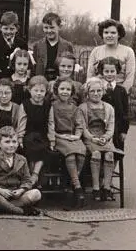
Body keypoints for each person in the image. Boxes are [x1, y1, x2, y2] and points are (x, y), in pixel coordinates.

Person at [0, 126, 42, 216]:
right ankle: (19, 211)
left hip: (15, 196)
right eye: (7, 142)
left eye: (14, 142)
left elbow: (27, 180)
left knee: (36, 194)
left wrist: (21, 190)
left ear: (18, 143)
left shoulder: (22, 159)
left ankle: (2, 208)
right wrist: (0, 190)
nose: (11, 145)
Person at [47, 78, 87, 208]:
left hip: (72, 137)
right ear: (56, 91)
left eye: (68, 89)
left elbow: (79, 125)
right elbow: (51, 125)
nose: (65, 92)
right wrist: (59, 136)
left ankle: (72, 184)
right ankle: (77, 188)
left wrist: (76, 136)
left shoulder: (75, 108)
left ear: (72, 92)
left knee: (81, 153)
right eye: (62, 89)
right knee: (70, 155)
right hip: (59, 137)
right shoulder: (52, 107)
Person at [79, 77, 118, 202]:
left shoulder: (109, 108)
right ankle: (96, 188)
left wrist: (106, 138)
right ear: (88, 93)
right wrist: (92, 138)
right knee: (95, 154)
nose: (96, 94)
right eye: (92, 91)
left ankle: (106, 188)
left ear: (103, 91)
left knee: (109, 155)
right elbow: (83, 128)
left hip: (105, 139)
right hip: (90, 139)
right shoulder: (82, 108)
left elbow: (111, 127)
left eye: (99, 91)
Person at [16, 75, 50, 188]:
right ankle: (32, 176)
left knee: (44, 147)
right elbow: (21, 122)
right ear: (29, 90)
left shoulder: (48, 105)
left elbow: (51, 123)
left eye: (42, 91)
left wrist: (53, 139)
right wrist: (20, 138)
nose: (39, 93)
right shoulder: (25, 104)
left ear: (46, 92)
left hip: (43, 134)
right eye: (36, 90)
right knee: (30, 147)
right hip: (28, 134)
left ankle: (34, 175)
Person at [86, 19, 136, 94]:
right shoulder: (96, 51)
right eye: (106, 32)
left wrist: (122, 93)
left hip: (120, 92)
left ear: (119, 34)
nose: (109, 35)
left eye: (113, 32)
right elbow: (90, 76)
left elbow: (129, 77)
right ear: (102, 34)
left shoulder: (128, 51)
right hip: (98, 93)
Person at [98, 57, 129, 164]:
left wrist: (124, 131)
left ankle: (109, 174)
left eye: (112, 71)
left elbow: (125, 112)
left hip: (117, 129)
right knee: (99, 152)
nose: (109, 74)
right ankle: (100, 176)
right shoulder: (98, 89)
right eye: (106, 71)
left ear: (117, 72)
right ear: (102, 72)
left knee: (116, 153)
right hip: (100, 128)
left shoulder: (121, 91)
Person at [32, 12, 74, 81]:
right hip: (41, 83)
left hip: (60, 84)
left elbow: (71, 68)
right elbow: (34, 68)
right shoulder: (37, 46)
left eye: (52, 27)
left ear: (59, 27)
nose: (49, 31)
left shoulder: (67, 46)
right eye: (46, 28)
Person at [0, 11, 28, 81]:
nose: (8, 32)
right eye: (5, 28)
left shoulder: (22, 44)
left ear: (17, 28)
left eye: (12, 29)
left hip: (17, 80)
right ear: (0, 28)